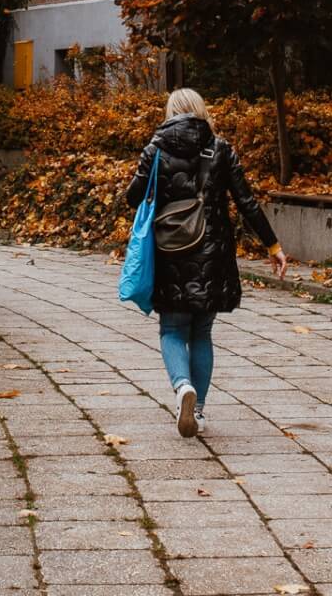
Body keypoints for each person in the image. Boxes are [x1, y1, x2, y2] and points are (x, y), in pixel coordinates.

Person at [124, 88, 287, 437]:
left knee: (171, 328)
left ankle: (183, 386)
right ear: (201, 112)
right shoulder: (220, 148)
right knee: (202, 331)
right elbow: (247, 203)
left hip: (170, 254)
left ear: (171, 112)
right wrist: (272, 245)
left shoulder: (156, 148)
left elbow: (132, 197)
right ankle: (196, 411)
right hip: (213, 256)